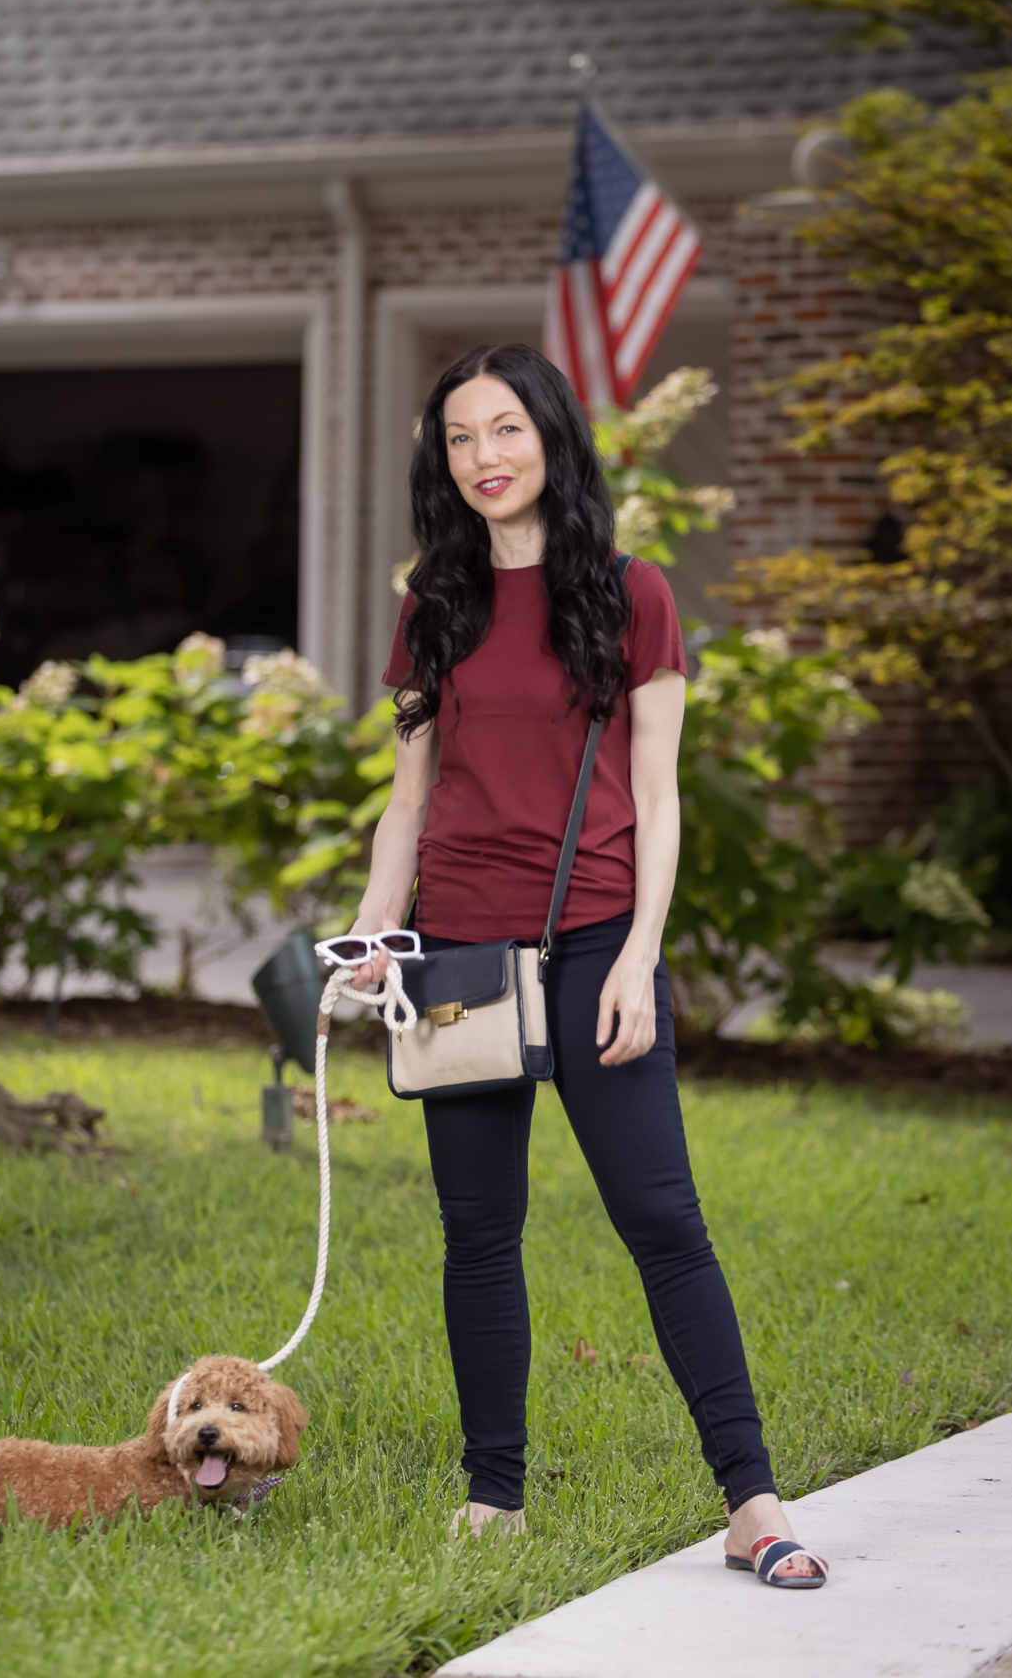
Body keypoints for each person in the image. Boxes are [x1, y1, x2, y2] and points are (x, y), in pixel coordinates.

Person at [345, 343, 826, 1588]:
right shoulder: (432, 604)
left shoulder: (628, 593)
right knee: (477, 1231)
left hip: (597, 941)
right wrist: (371, 933)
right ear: (440, 462)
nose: (484, 458)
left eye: (505, 430)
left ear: (551, 439)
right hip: (454, 946)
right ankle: (492, 1495)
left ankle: (752, 1502)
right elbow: (408, 805)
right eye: (459, 439)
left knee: (663, 1221)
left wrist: (640, 961)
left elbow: (656, 799)